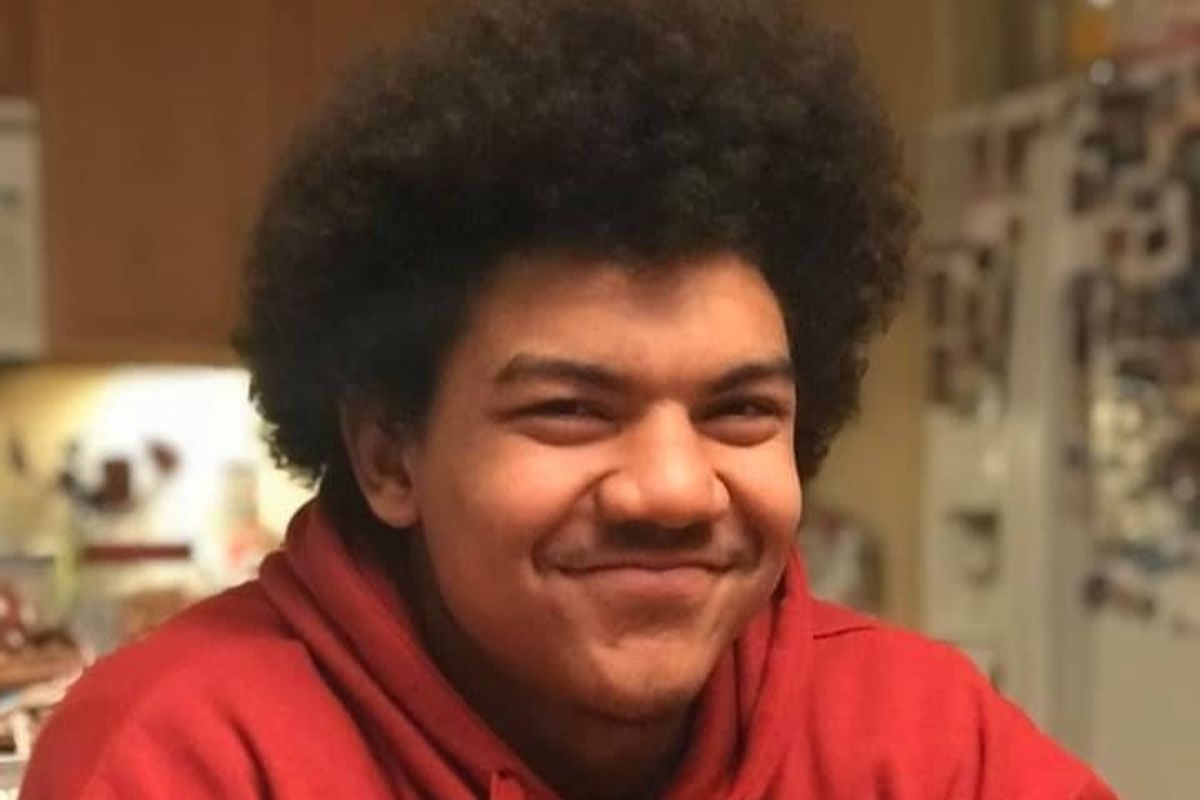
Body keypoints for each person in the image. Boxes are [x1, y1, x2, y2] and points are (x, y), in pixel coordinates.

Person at [22, 1, 1116, 798]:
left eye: (739, 411)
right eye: (570, 410)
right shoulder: (183, 757)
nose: (675, 489)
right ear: (389, 455)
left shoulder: (923, 742)